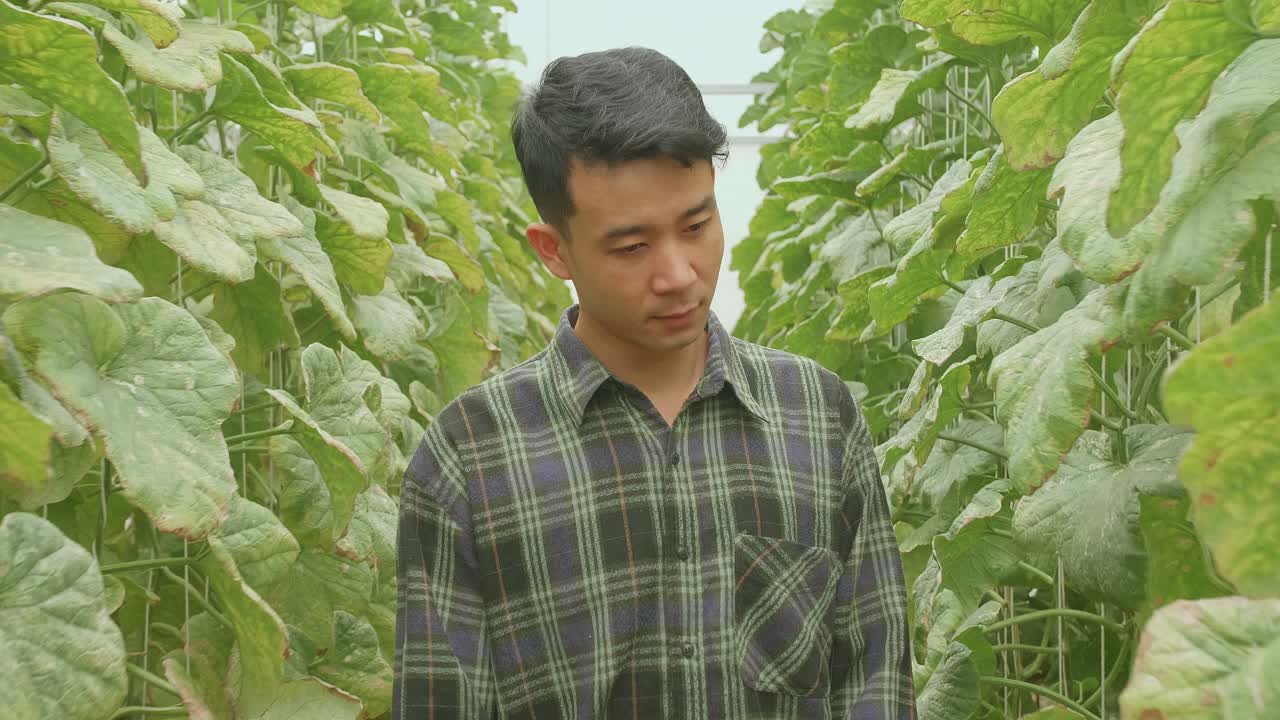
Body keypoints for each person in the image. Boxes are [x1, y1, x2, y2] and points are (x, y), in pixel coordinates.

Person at [393, 46, 916, 720]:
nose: (678, 273)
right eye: (631, 247)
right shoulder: (469, 458)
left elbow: (875, 685)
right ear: (554, 250)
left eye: (696, 225)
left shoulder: (817, 417)